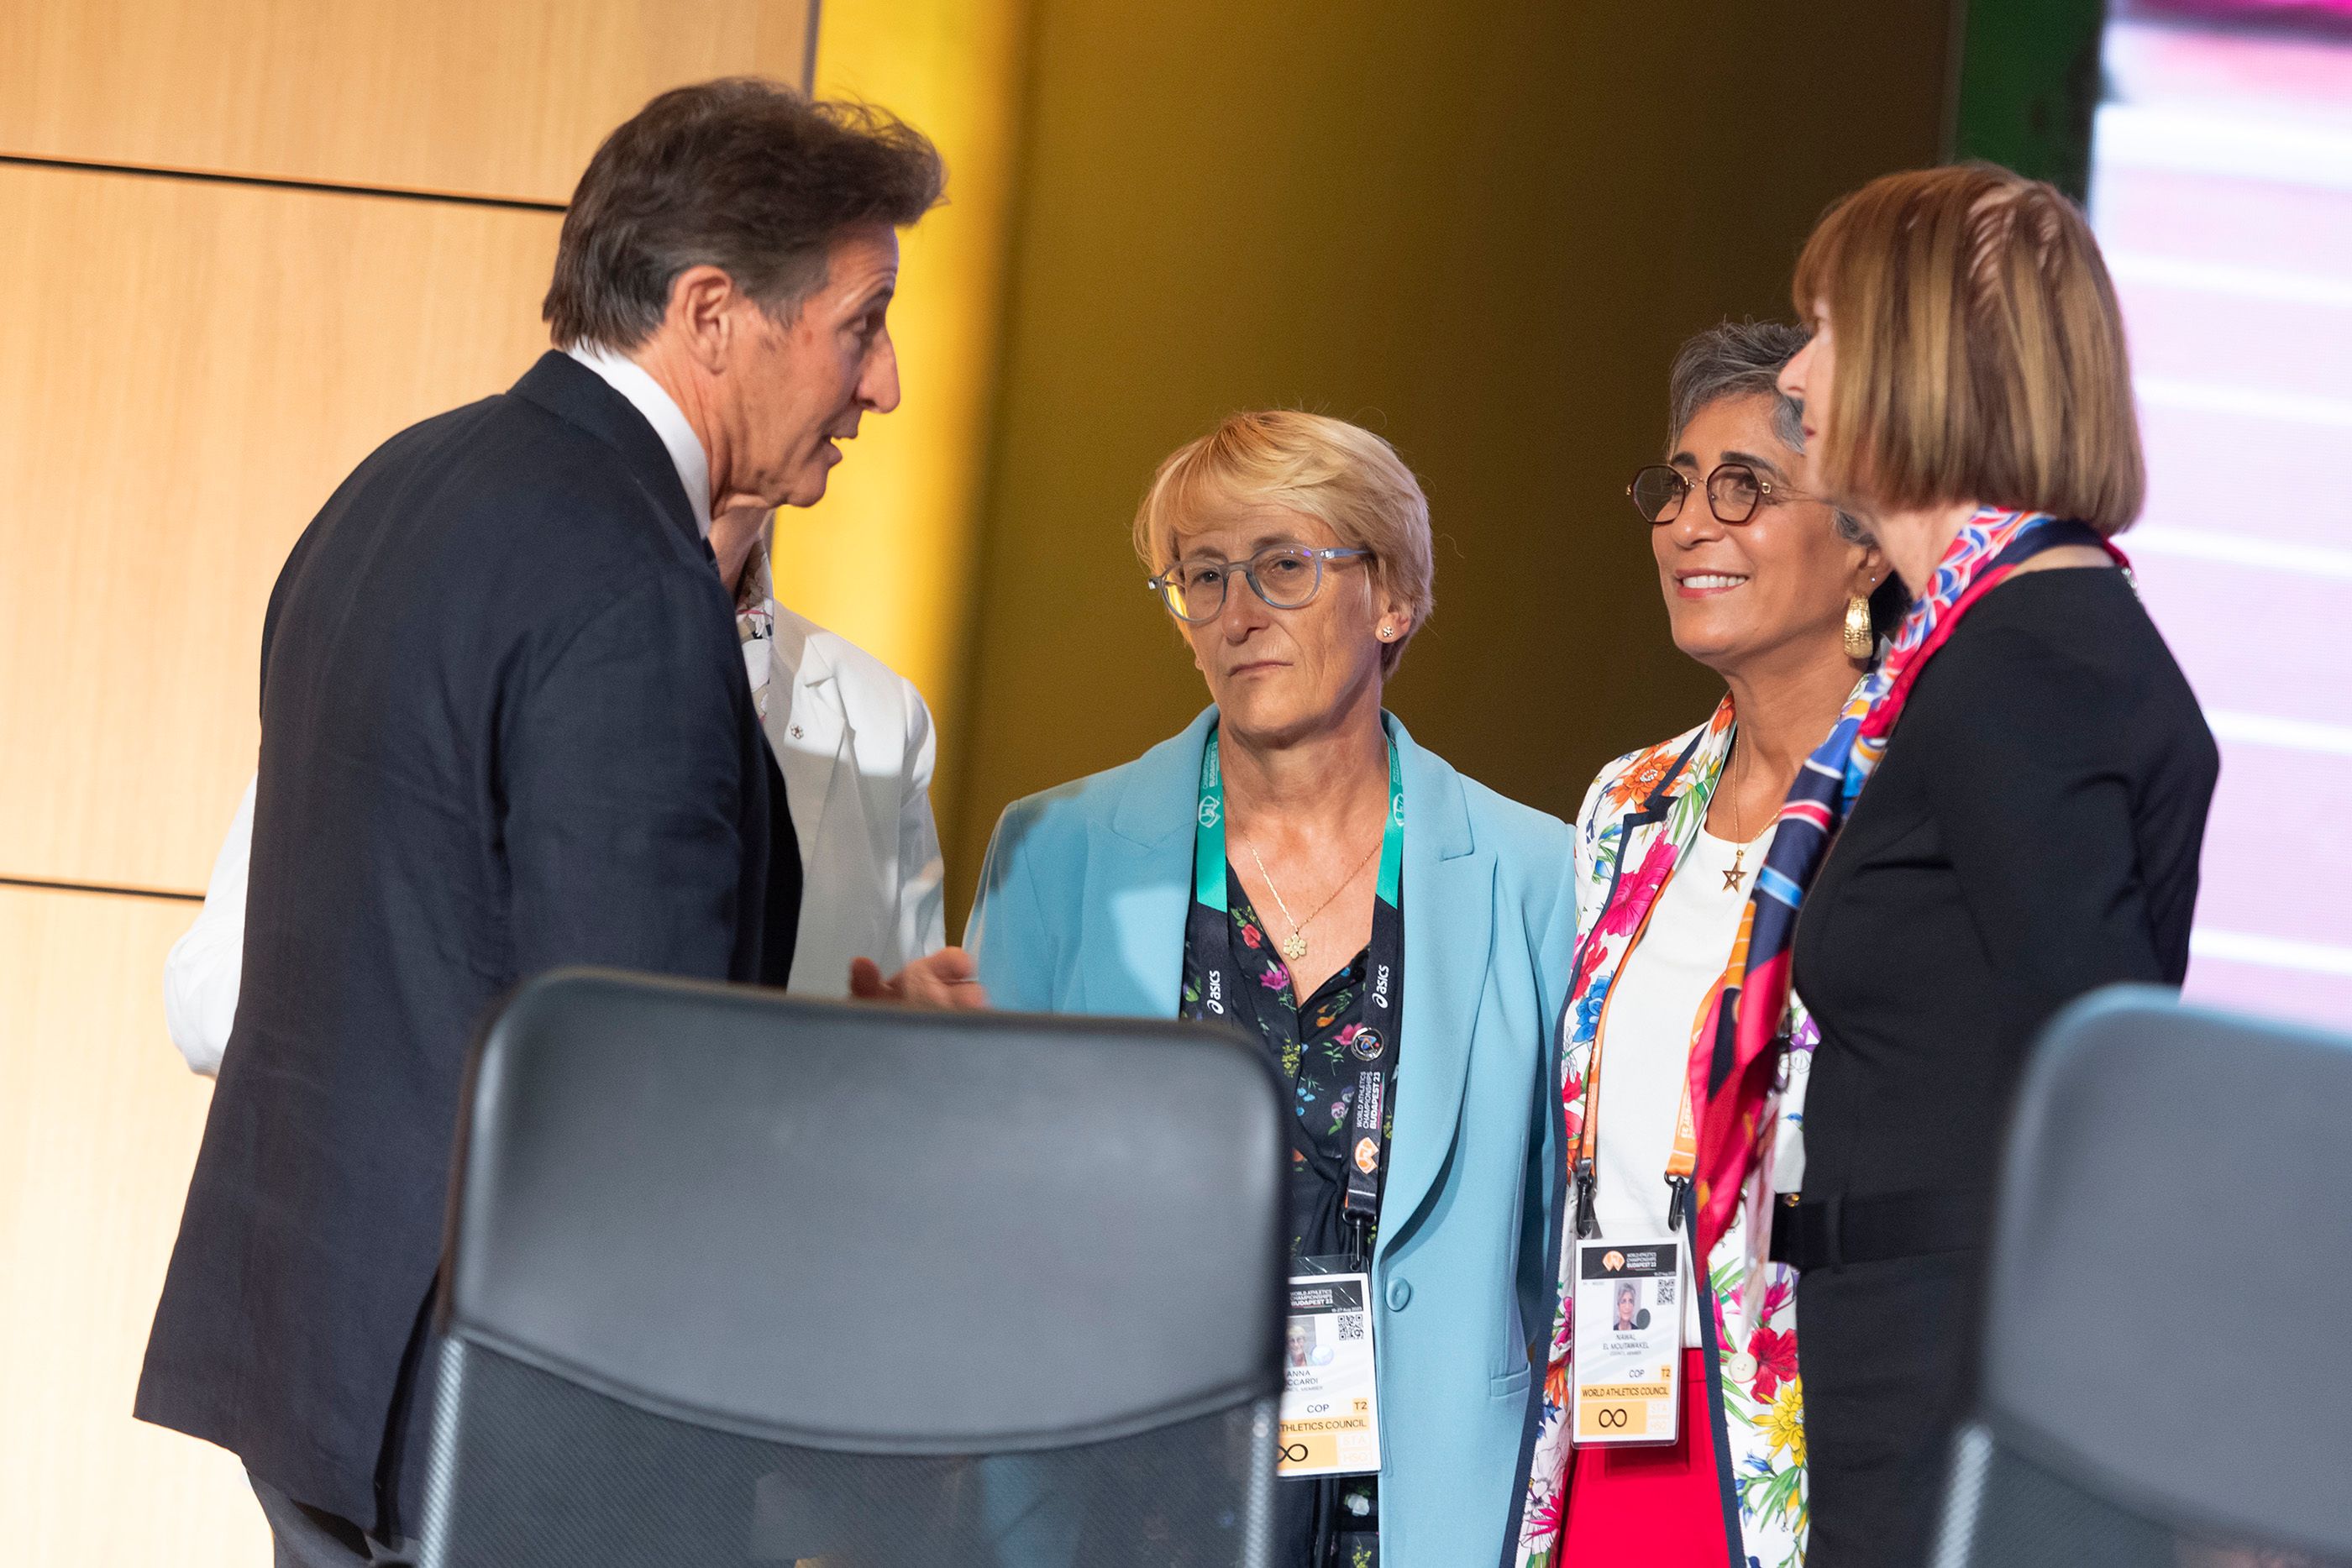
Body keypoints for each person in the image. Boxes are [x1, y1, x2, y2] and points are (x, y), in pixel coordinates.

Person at [136, 81, 972, 1568]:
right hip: (505, 1428)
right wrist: (867, 1081)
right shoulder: (636, 588)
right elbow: (627, 1091)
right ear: (714, 312)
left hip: (320, 1366)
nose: (887, 380)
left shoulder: (399, 483)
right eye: (863, 322)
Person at [967, 411, 1579, 1568]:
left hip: (1425, 1514)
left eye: (1283, 566)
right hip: (1124, 1510)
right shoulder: (1055, 852)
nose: (1238, 612)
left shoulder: (1533, 872)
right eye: (1205, 575)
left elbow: (1555, 1252)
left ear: (1389, 596)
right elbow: (990, 1233)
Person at [1723, 164, 2214, 1567]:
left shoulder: (2022, 661)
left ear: (1927, 362)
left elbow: (2102, 1067)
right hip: (1930, 1373)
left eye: (1828, 327)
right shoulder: (2000, 642)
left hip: (1973, 1404)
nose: (1798, 375)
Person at [1513, 322, 1893, 1568]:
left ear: (1863, 540)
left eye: (1744, 487)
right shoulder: (1627, 803)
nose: (1687, 522)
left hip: (1809, 1449)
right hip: (1610, 1435)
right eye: (1674, 486)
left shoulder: (1914, 802)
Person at [160, 497, 948, 1073]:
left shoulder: (886, 718)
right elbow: (215, 998)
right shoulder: (452, 634)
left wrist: (883, 1053)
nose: (882, 383)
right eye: (855, 325)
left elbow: (904, 1102)